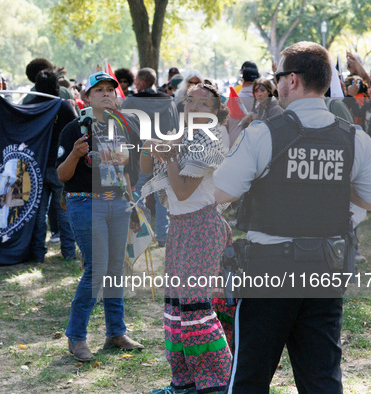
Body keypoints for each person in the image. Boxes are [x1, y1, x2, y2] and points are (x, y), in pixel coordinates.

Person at [214, 41, 371, 393]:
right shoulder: (352, 138)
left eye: (278, 76)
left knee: (250, 376)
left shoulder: (263, 133)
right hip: (325, 268)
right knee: (321, 378)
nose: (276, 84)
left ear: (292, 80)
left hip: (269, 272)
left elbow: (220, 193)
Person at [141, 83, 233, 394]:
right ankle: (184, 382)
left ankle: (217, 382)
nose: (193, 108)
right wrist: (150, 145)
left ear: (215, 112)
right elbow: (146, 171)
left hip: (202, 227)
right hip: (179, 226)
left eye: (203, 104)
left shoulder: (212, 139)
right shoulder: (180, 136)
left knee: (196, 310)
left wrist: (167, 156)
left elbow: (182, 190)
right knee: (176, 308)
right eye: (189, 101)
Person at [57, 71, 144, 361]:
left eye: (110, 89)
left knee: (116, 268)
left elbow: (130, 172)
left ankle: (116, 332)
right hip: (85, 202)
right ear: (88, 97)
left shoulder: (126, 126)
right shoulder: (74, 129)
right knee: (97, 269)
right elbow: (62, 175)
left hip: (118, 203)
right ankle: (76, 336)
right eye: (99, 90)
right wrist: (74, 155)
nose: (106, 94)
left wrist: (132, 205)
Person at [123, 67, 178, 247]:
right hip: (163, 151)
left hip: (142, 153)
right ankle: (163, 235)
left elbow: (124, 127)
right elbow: (175, 126)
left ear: (142, 83)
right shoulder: (169, 101)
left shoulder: (130, 102)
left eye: (137, 80)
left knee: (139, 193)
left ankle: (142, 233)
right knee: (163, 195)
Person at [27, 69, 77, 262]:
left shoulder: (30, 107)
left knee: (39, 213)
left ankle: (38, 253)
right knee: (63, 210)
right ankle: (69, 252)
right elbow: (77, 129)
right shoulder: (63, 106)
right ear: (56, 87)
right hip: (61, 166)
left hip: (36, 167)